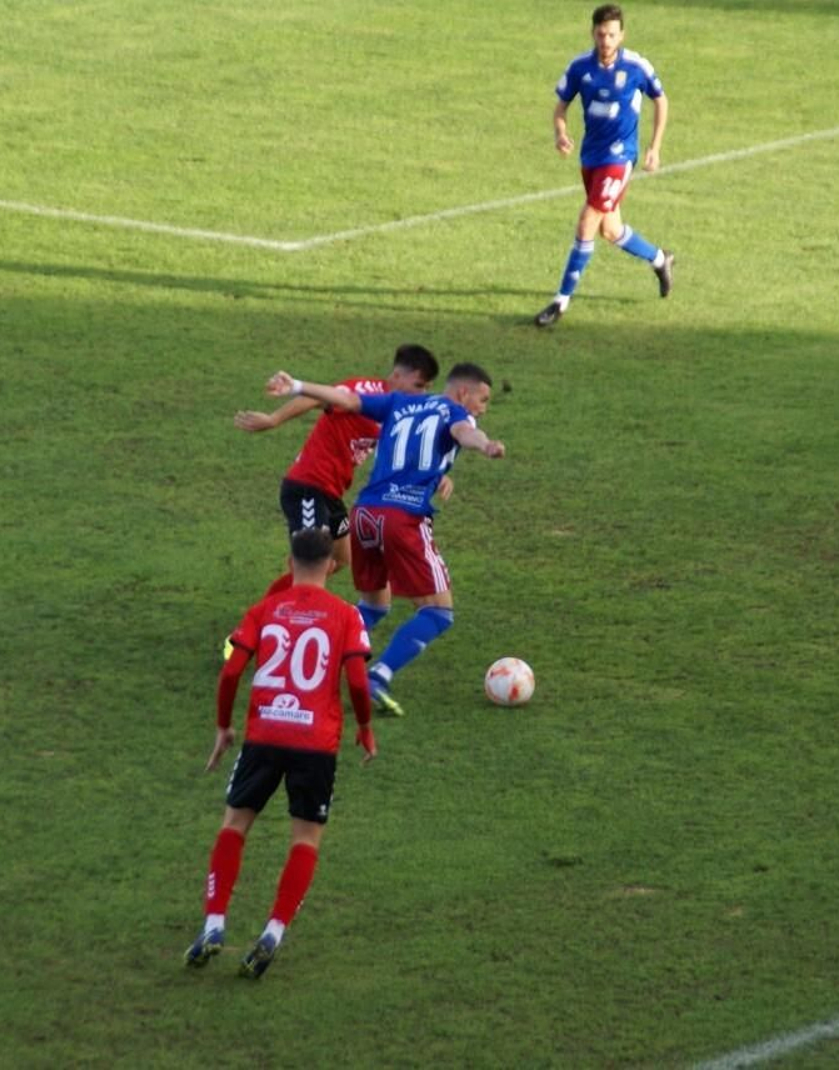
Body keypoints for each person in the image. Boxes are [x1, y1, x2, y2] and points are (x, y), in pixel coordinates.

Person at [184, 526, 376, 980]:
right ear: (331, 565)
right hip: (315, 744)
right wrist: (365, 727)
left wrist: (223, 727)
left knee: (235, 825)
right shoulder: (347, 615)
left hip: (264, 736)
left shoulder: (265, 609)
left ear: (289, 563)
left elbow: (231, 672)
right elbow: (357, 681)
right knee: (305, 839)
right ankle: (273, 931)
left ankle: (214, 923)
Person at [265, 363, 506, 716]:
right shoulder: (457, 413)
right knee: (438, 612)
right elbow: (462, 431)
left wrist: (299, 384)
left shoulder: (397, 402)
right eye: (482, 400)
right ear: (463, 392)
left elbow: (344, 398)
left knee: (375, 604)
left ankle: (313, 658)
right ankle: (379, 675)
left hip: (364, 514)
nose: (482, 409)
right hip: (402, 518)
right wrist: (485, 445)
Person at [233, 345, 441, 597]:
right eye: (419, 385)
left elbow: (408, 449)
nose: (423, 394)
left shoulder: (399, 410)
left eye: (427, 388)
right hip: (307, 486)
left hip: (331, 494)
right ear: (397, 375)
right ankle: (275, 615)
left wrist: (438, 475)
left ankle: (279, 601)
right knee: (312, 560)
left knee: (341, 558)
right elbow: (315, 397)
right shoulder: (363, 391)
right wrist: (273, 419)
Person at [535, 3, 674, 328]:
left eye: (612, 35)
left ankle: (560, 301)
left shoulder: (636, 66)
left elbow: (661, 100)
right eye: (601, 34)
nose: (606, 40)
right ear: (593, 34)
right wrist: (561, 133)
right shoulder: (580, 68)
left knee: (587, 222)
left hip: (620, 157)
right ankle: (659, 259)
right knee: (611, 230)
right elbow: (560, 108)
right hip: (592, 157)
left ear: (621, 35)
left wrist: (654, 148)